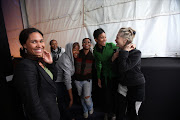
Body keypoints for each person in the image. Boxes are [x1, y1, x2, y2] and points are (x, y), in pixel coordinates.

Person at [13, 28, 60, 120]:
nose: (40, 45)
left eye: (41, 41)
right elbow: (32, 103)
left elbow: (53, 78)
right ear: (24, 45)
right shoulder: (26, 66)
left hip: (52, 110)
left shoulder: (40, 61)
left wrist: (50, 64)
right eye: (34, 42)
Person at [112, 27, 145, 120]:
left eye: (117, 37)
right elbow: (115, 70)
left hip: (136, 87)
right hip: (123, 86)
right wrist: (113, 59)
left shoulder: (136, 53)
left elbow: (123, 68)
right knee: (120, 111)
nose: (115, 40)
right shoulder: (118, 52)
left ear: (125, 40)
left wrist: (125, 51)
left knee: (132, 114)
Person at [93, 28, 118, 120]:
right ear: (96, 40)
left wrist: (131, 45)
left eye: (105, 37)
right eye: (101, 37)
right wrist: (99, 78)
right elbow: (98, 65)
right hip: (105, 76)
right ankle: (107, 112)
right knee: (106, 96)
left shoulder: (111, 45)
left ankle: (114, 113)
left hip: (114, 75)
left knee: (114, 95)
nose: (105, 39)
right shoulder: (95, 50)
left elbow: (122, 48)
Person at [55, 42, 80, 120]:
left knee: (66, 101)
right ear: (70, 50)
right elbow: (67, 80)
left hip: (64, 81)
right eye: (75, 50)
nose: (77, 52)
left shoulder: (70, 57)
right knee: (64, 102)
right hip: (59, 83)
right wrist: (71, 97)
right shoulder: (65, 59)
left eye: (78, 50)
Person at [74, 38, 95, 118]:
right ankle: (85, 110)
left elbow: (94, 69)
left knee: (87, 97)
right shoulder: (78, 53)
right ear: (82, 44)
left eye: (88, 42)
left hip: (87, 80)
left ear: (90, 44)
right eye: (84, 42)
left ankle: (90, 107)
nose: (86, 43)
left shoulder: (92, 55)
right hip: (77, 80)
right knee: (82, 97)